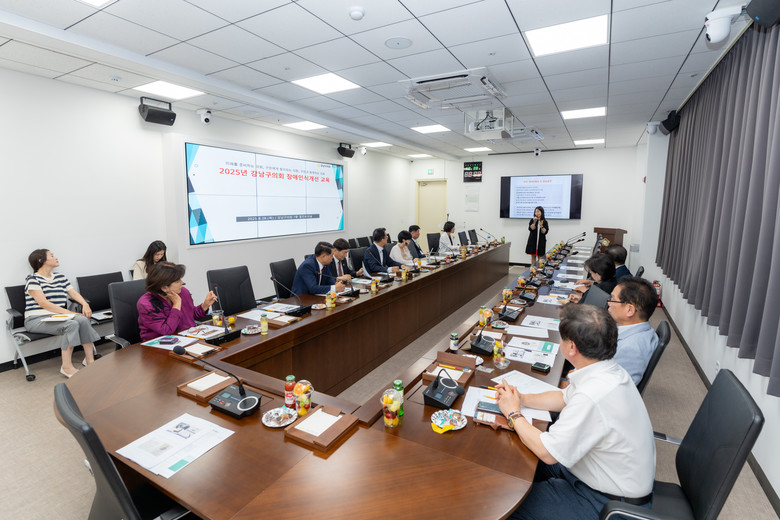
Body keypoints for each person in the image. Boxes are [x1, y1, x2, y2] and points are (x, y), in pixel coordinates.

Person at [496, 304, 655, 520]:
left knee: (505, 504)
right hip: (592, 474)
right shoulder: (606, 369)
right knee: (515, 459)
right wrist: (521, 399)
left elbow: (548, 453)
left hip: (607, 503)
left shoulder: (593, 394)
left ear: (571, 347)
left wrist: (513, 414)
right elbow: (563, 398)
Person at [23, 249, 101, 378]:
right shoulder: (33, 279)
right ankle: (66, 367)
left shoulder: (60, 277)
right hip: (36, 319)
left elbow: (73, 293)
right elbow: (44, 303)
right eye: (52, 256)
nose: (56, 258)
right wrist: (71, 313)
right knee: (71, 324)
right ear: (41, 260)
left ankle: (89, 360)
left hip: (57, 316)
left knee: (83, 320)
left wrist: (85, 304)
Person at [137, 262, 217, 341]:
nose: (182, 283)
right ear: (164, 288)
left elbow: (191, 315)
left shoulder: (183, 292)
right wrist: (176, 304)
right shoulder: (147, 304)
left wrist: (205, 305)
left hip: (188, 338)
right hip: (159, 344)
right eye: (178, 281)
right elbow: (166, 330)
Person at [607, 277, 659, 385]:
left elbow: (616, 388)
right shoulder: (644, 330)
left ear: (629, 310)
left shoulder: (631, 348)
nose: (609, 303)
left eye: (612, 299)